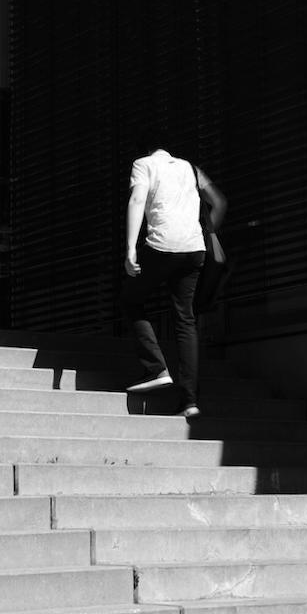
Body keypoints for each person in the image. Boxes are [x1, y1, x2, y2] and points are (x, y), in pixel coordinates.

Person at [122, 145, 224, 419]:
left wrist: (131, 247)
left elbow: (136, 201)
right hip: (194, 249)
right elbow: (219, 203)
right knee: (185, 319)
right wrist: (205, 231)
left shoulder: (143, 164)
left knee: (131, 299)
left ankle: (156, 368)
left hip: (162, 246)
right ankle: (190, 401)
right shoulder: (190, 168)